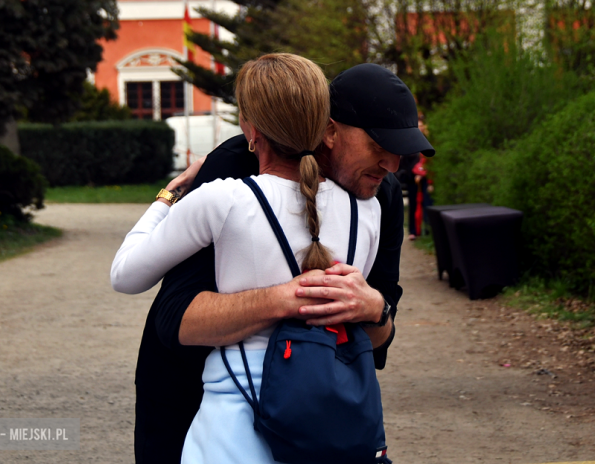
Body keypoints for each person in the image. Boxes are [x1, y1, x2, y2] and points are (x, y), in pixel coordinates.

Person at [127, 63, 435, 463]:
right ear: (329, 129)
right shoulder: (238, 168)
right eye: (379, 147)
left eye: (400, 153)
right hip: (193, 400)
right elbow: (173, 318)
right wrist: (284, 300)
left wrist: (375, 310)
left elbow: (375, 345)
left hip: (309, 418)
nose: (392, 166)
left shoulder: (380, 196)